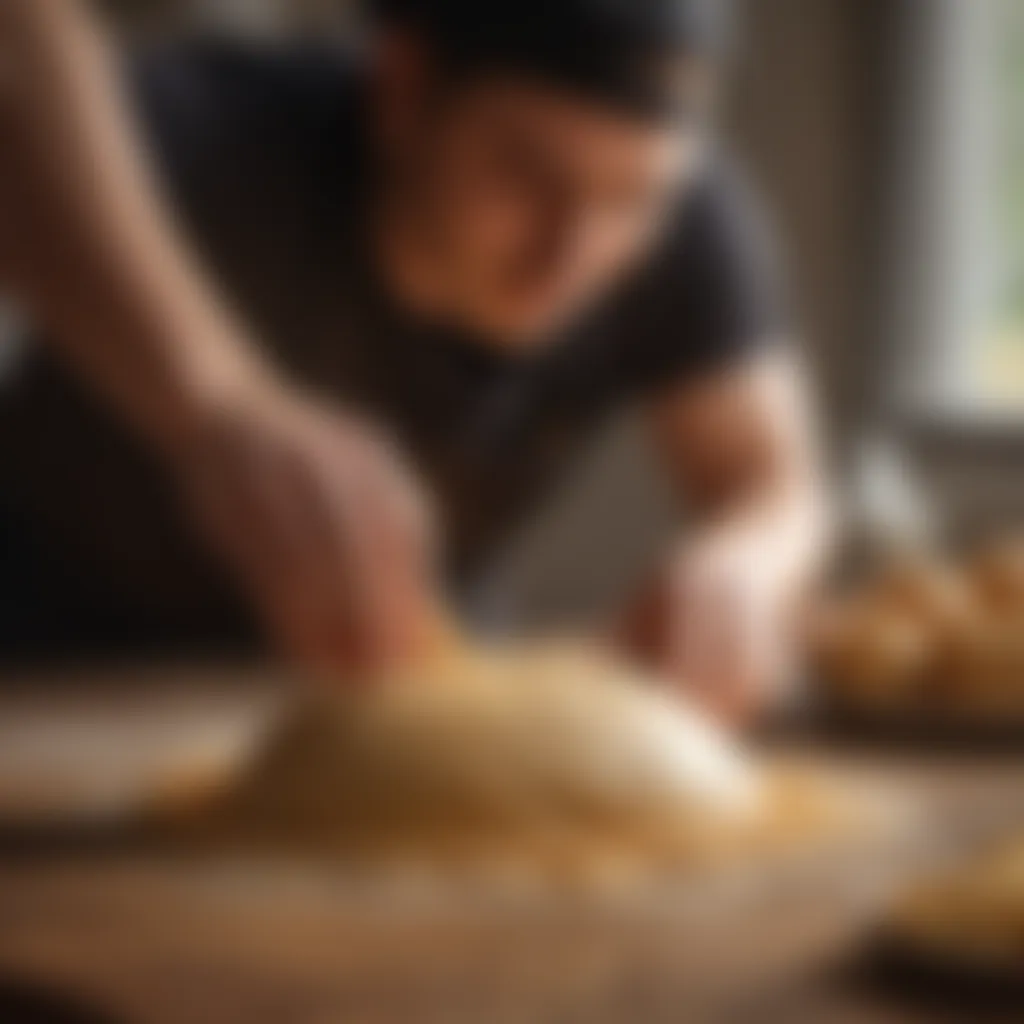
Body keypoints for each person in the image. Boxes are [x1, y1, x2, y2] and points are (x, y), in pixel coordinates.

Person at [0, 0, 829, 721]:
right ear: (402, 88)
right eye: (526, 175)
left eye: (632, 199)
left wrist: (744, 567)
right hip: (50, 683)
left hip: (405, 703)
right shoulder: (203, 136)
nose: (572, 252)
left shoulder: (684, 220)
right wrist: (224, 409)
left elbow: (773, 487)